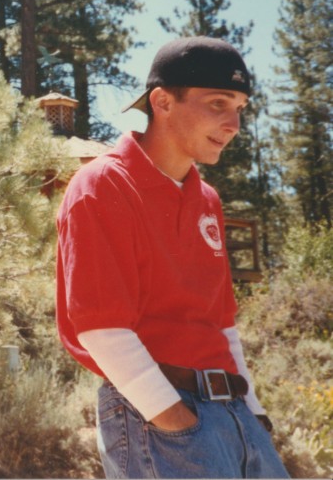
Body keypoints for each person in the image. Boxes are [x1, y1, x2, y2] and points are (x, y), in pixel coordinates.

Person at [56, 37, 289, 479]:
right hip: (165, 415)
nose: (234, 122)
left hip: (235, 414)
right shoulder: (102, 185)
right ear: (162, 101)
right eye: (218, 103)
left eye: (240, 106)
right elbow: (102, 327)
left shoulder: (206, 199)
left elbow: (221, 321)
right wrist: (174, 419)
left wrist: (253, 413)